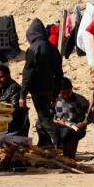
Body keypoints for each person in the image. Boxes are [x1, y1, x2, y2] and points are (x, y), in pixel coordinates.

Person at [20, 19, 63, 147]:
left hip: (38, 90)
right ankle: (43, 144)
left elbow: (28, 74)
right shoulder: (53, 49)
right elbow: (59, 74)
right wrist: (55, 94)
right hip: (50, 89)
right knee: (41, 119)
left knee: (45, 120)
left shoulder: (33, 49)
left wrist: (23, 95)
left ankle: (61, 147)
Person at [53, 78, 89, 159]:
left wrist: (84, 123)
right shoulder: (55, 100)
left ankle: (64, 155)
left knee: (67, 132)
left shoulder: (80, 99)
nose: (66, 95)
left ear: (72, 89)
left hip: (76, 129)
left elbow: (91, 114)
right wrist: (58, 122)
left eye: (68, 92)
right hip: (59, 126)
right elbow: (50, 117)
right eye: (63, 93)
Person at [0, 65, 29, 136]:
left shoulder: (15, 88)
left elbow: (13, 110)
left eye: (1, 77)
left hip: (15, 127)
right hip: (1, 125)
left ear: (8, 75)